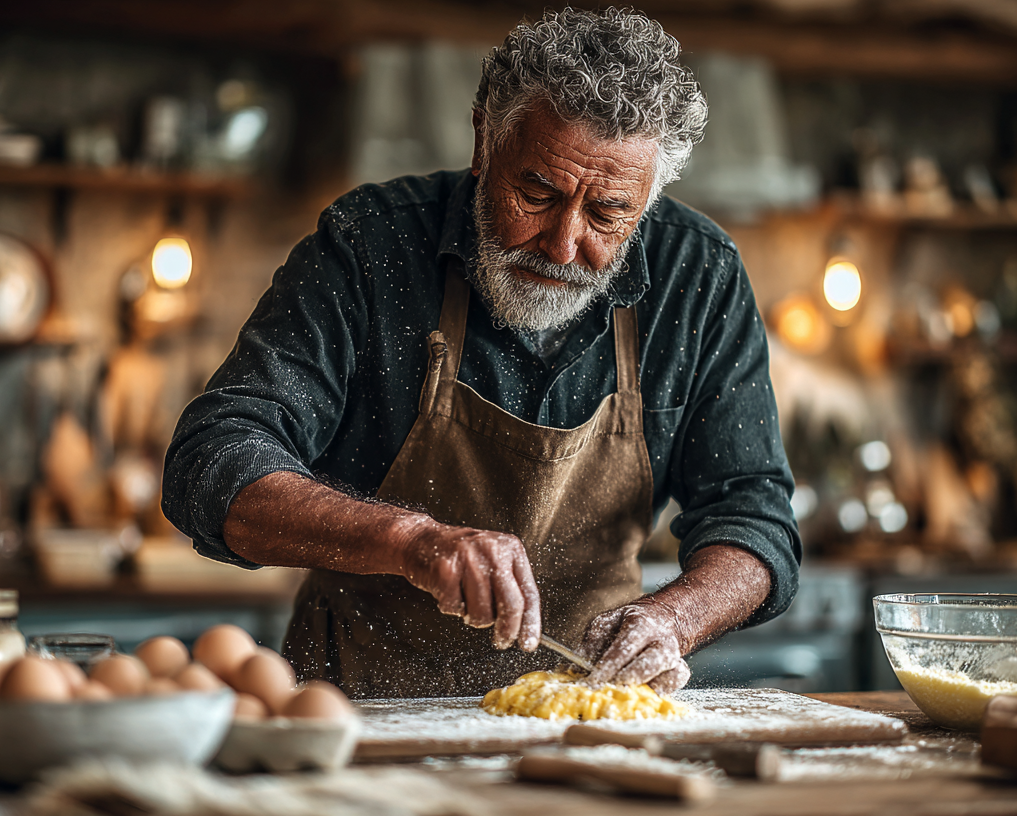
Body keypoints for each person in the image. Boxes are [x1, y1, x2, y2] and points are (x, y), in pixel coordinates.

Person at [162, 7, 800, 698]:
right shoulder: (367, 247)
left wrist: (675, 619)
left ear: (649, 197)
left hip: (588, 714)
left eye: (608, 213)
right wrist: (409, 541)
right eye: (537, 193)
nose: (563, 246)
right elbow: (212, 459)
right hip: (360, 709)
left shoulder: (699, 275)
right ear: (483, 143)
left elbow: (753, 514)